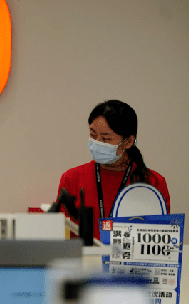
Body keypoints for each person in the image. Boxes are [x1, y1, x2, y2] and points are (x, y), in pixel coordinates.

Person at [57, 100, 170, 241]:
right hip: (82, 255)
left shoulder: (153, 182)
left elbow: (159, 240)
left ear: (128, 142)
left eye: (106, 139)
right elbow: (62, 235)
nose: (97, 143)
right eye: (93, 135)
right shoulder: (72, 178)